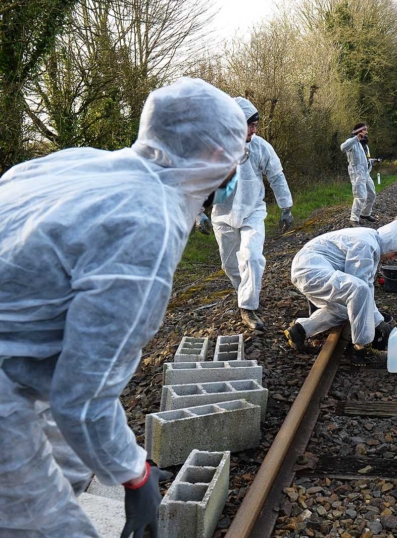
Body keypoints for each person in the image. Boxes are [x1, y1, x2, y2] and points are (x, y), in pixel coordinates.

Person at [0, 78, 246, 537]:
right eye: (238, 155)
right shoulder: (148, 224)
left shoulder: (77, 162)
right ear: (216, 157)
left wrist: (103, 463)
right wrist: (137, 475)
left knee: (68, 466)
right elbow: (84, 398)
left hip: (15, 362)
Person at [201, 97, 294, 331]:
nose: (254, 129)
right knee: (230, 264)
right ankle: (245, 292)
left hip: (253, 211)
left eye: (256, 124)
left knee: (251, 257)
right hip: (223, 216)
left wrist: (286, 207)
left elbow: (276, 176)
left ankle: (248, 307)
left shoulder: (261, 147)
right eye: (249, 124)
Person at [285, 220, 397, 365]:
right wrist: (377, 321)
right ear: (390, 243)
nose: (393, 258)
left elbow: (366, 288)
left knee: (346, 310)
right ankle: (362, 350)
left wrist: (377, 318)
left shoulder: (372, 242)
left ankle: (299, 331)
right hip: (310, 269)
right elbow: (361, 286)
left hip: (311, 269)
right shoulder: (366, 244)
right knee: (358, 290)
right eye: (395, 253)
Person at [341, 123, 379, 227]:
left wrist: (372, 161)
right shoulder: (352, 142)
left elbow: (363, 160)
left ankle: (365, 213)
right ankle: (354, 219)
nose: (366, 132)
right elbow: (343, 147)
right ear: (359, 131)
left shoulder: (365, 145)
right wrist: (355, 138)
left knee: (372, 194)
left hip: (366, 173)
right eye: (365, 130)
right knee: (360, 196)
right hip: (357, 174)